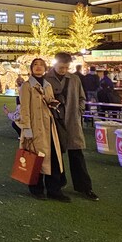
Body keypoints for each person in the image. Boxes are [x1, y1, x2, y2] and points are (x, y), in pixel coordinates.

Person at [45, 53, 98, 201]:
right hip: (54, 121)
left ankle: (85, 187)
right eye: (61, 67)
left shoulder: (74, 79)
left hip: (72, 120)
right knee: (56, 156)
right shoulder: (46, 79)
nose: (63, 70)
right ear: (55, 64)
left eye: (66, 67)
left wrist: (79, 111)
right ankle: (57, 185)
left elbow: (82, 97)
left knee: (77, 155)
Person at [20, 57, 69, 201]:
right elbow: (24, 109)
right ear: (31, 68)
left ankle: (54, 189)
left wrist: (53, 103)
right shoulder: (27, 86)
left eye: (41, 65)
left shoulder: (47, 85)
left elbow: (48, 101)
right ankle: (36, 188)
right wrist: (27, 129)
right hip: (35, 127)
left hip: (49, 127)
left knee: (53, 158)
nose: (38, 67)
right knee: (36, 158)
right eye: (35, 65)